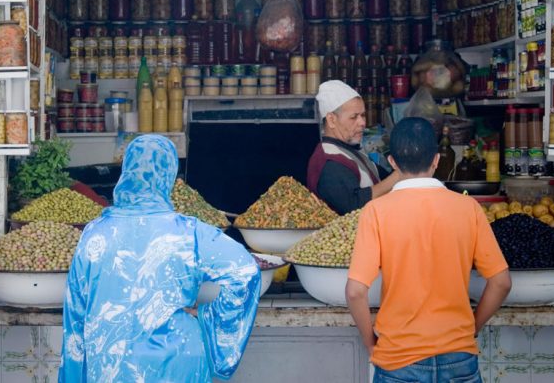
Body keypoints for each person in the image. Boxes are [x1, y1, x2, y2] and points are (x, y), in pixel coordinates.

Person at [59, 134, 261, 382]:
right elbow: (246, 271)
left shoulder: (94, 233)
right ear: (170, 178)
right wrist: (209, 318)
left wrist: (72, 376)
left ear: (126, 172)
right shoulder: (189, 233)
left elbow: (76, 311)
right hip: (177, 363)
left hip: (111, 364)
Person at [346, 117, 511, 383]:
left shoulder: (376, 211)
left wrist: (370, 343)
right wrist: (471, 329)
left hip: (398, 359)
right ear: (436, 160)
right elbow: (501, 282)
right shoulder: (468, 209)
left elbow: (355, 291)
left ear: (392, 163)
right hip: (459, 356)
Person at [307, 80, 401, 214]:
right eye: (354, 117)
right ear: (332, 120)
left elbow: (384, 179)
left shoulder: (352, 151)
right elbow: (352, 205)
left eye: (363, 115)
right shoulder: (329, 160)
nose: (362, 122)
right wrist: (400, 175)